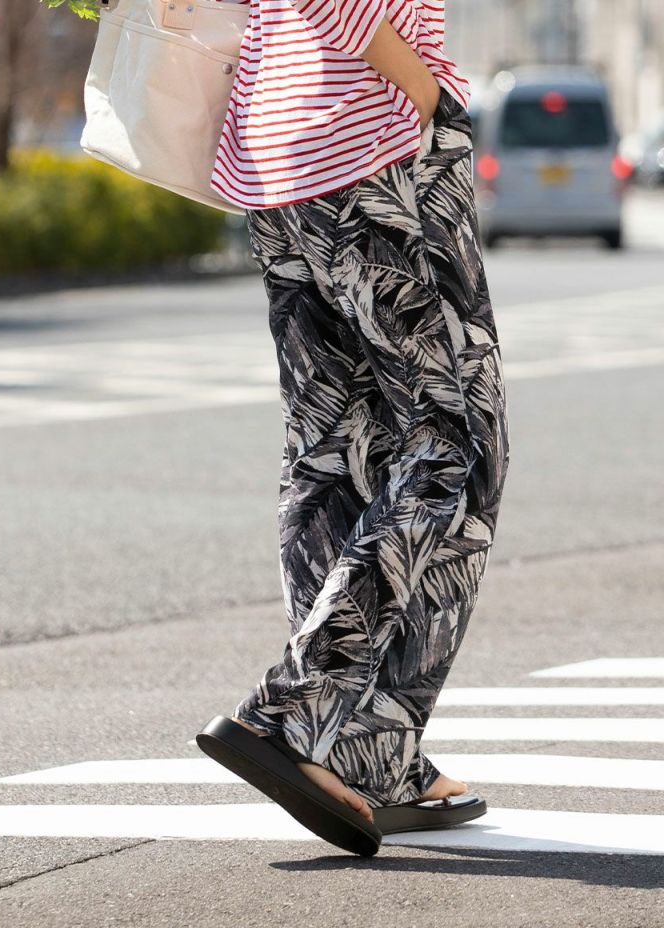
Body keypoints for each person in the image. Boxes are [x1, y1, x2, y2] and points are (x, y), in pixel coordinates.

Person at [196, 0, 511, 856]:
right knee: (458, 442)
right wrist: (428, 95)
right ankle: (301, 710)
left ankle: (364, 750)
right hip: (370, 137)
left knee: (337, 451)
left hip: (281, 149)